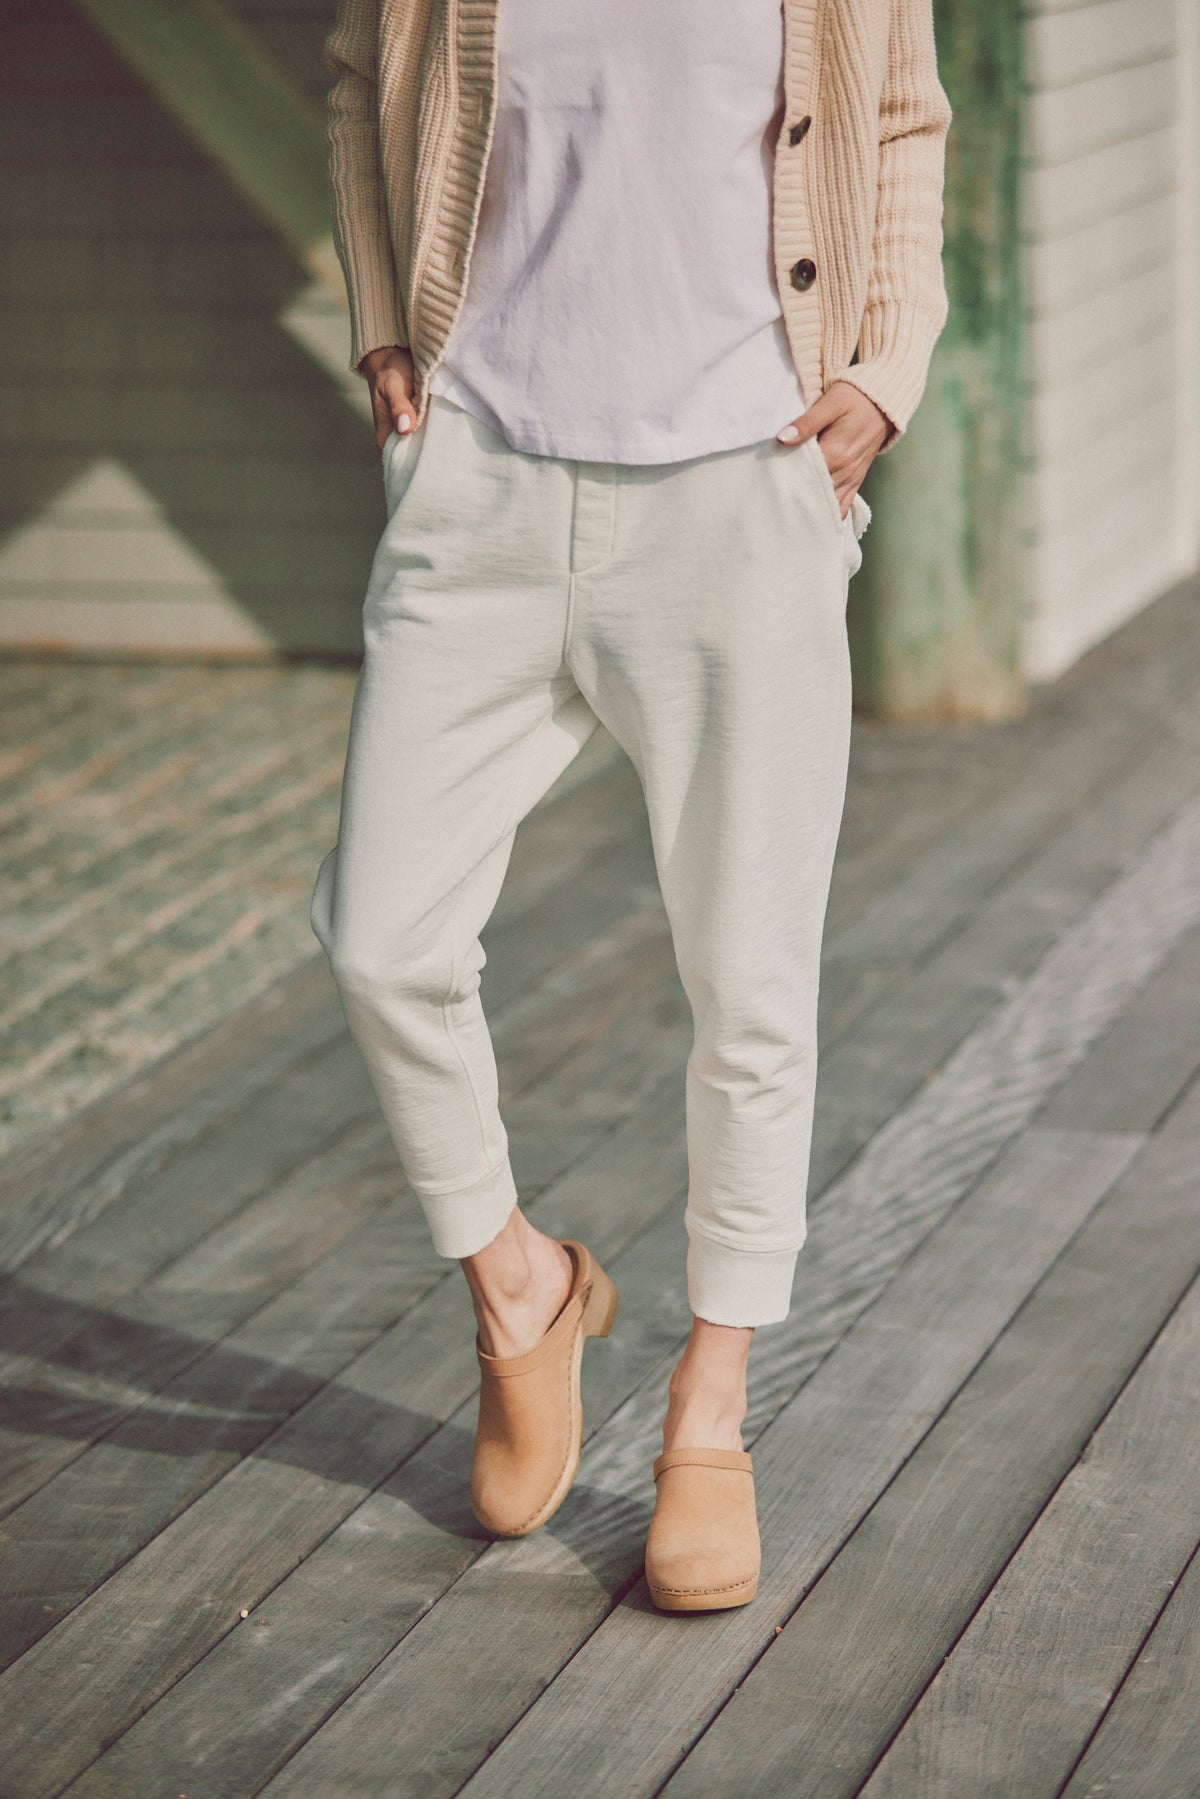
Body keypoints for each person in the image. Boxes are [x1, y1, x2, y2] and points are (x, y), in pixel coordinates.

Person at [311, 0, 951, 1612]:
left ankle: (709, 1418)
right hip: (484, 477)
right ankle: (521, 1289)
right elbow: (354, 86)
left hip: (744, 485)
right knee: (381, 938)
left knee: (749, 986)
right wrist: (385, 316)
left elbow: (904, 125)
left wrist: (886, 364)